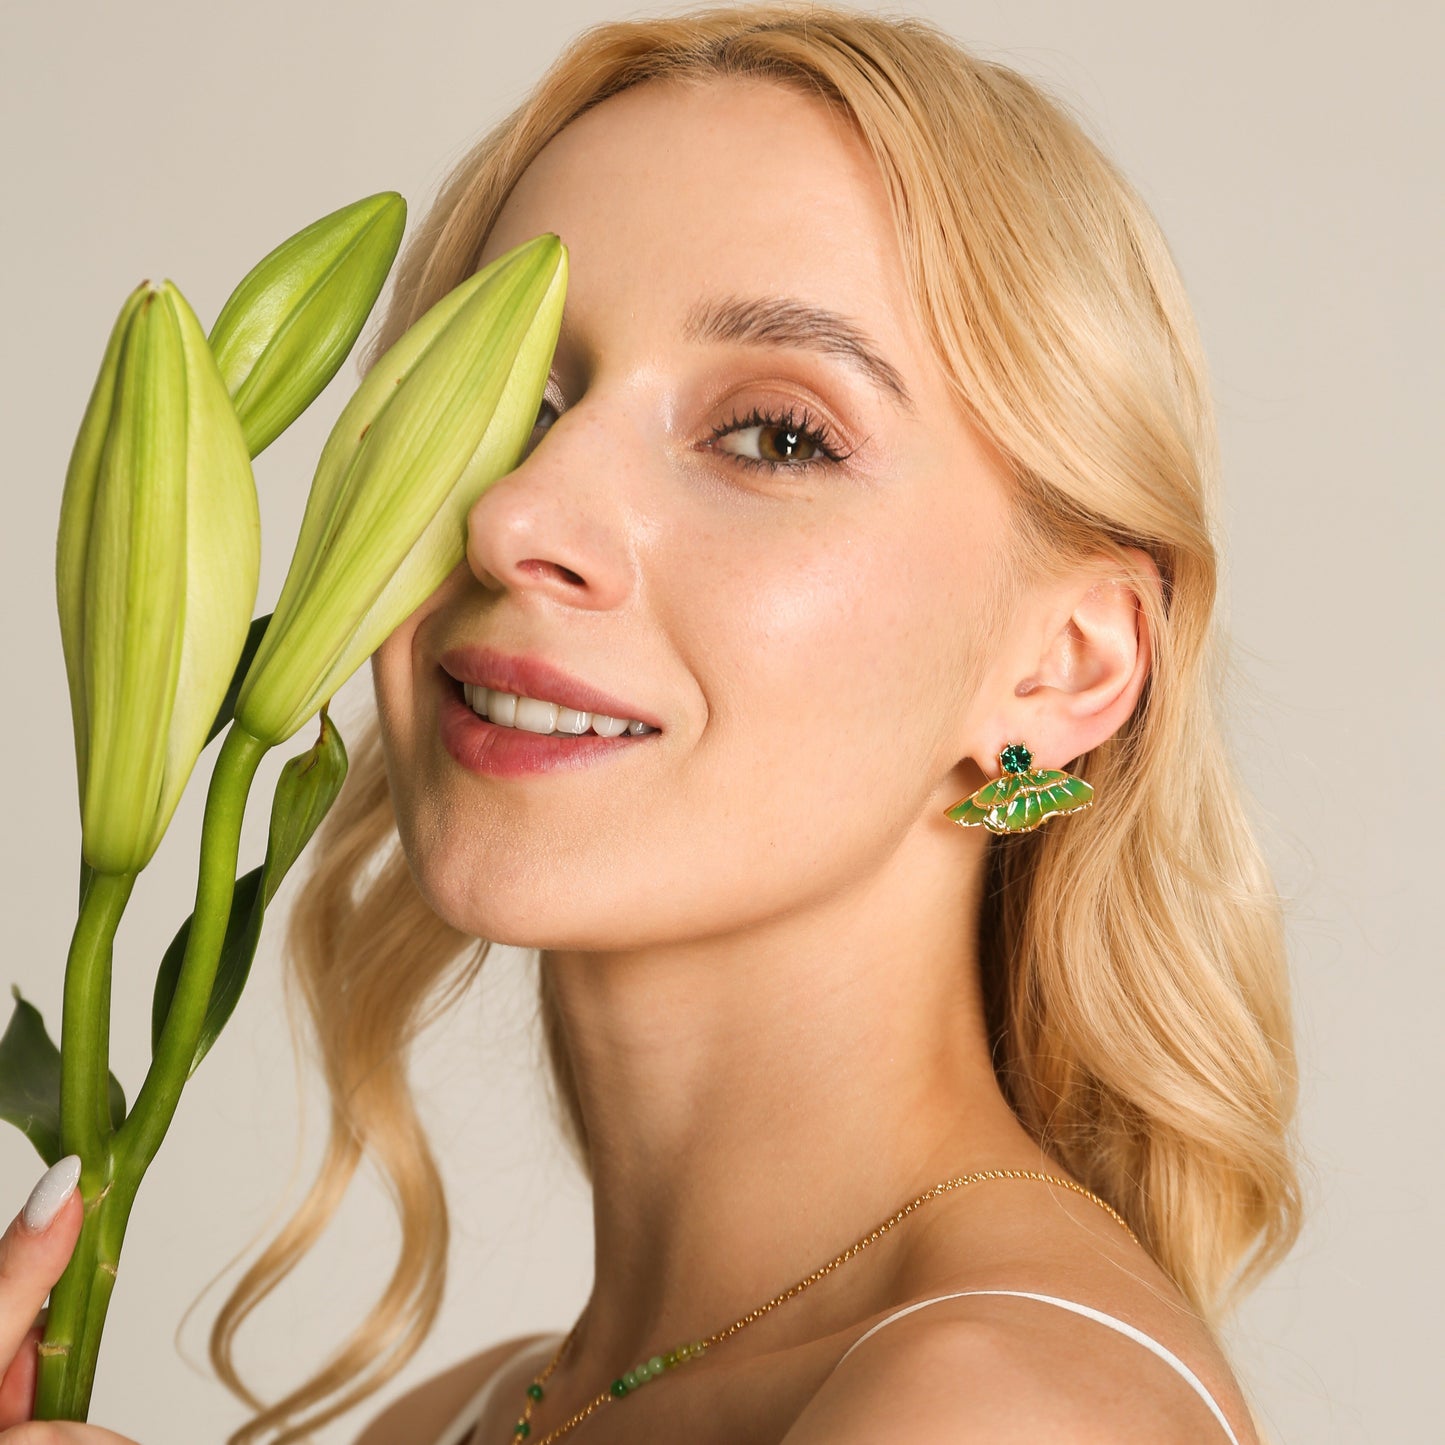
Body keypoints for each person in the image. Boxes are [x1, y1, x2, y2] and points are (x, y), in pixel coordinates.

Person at [0, 4, 1302, 1442]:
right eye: (502, 402)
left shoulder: (995, 1407)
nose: (508, 515)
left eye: (774, 434)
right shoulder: (465, 1414)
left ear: (1065, 666)